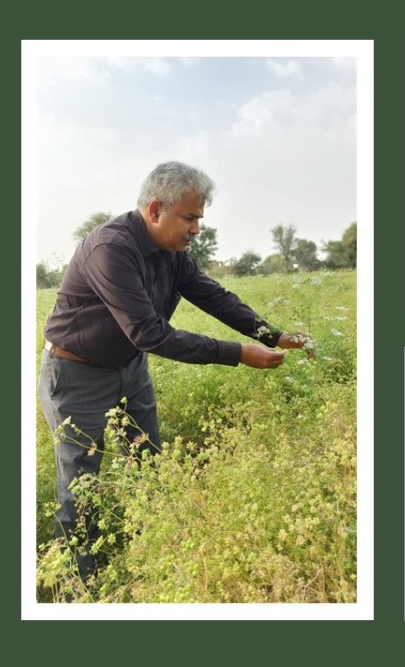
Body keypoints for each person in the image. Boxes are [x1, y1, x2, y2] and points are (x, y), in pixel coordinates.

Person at [38, 161, 307, 583]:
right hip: (76, 377)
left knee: (148, 465)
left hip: (129, 369)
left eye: (199, 217)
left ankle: (150, 557)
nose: (197, 228)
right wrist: (239, 354)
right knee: (80, 485)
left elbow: (213, 296)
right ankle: (76, 584)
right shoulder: (111, 248)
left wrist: (271, 336)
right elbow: (149, 333)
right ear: (156, 209)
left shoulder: (174, 254)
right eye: (190, 217)